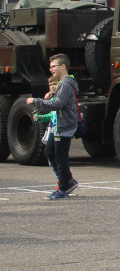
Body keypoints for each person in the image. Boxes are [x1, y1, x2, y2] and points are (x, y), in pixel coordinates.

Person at [26, 54, 80, 200]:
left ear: (63, 66)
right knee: (50, 151)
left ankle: (63, 187)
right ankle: (67, 180)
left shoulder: (66, 83)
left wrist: (35, 101)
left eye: (53, 66)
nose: (51, 69)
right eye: (50, 67)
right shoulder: (64, 83)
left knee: (60, 156)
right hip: (59, 125)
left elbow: (58, 104)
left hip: (64, 125)